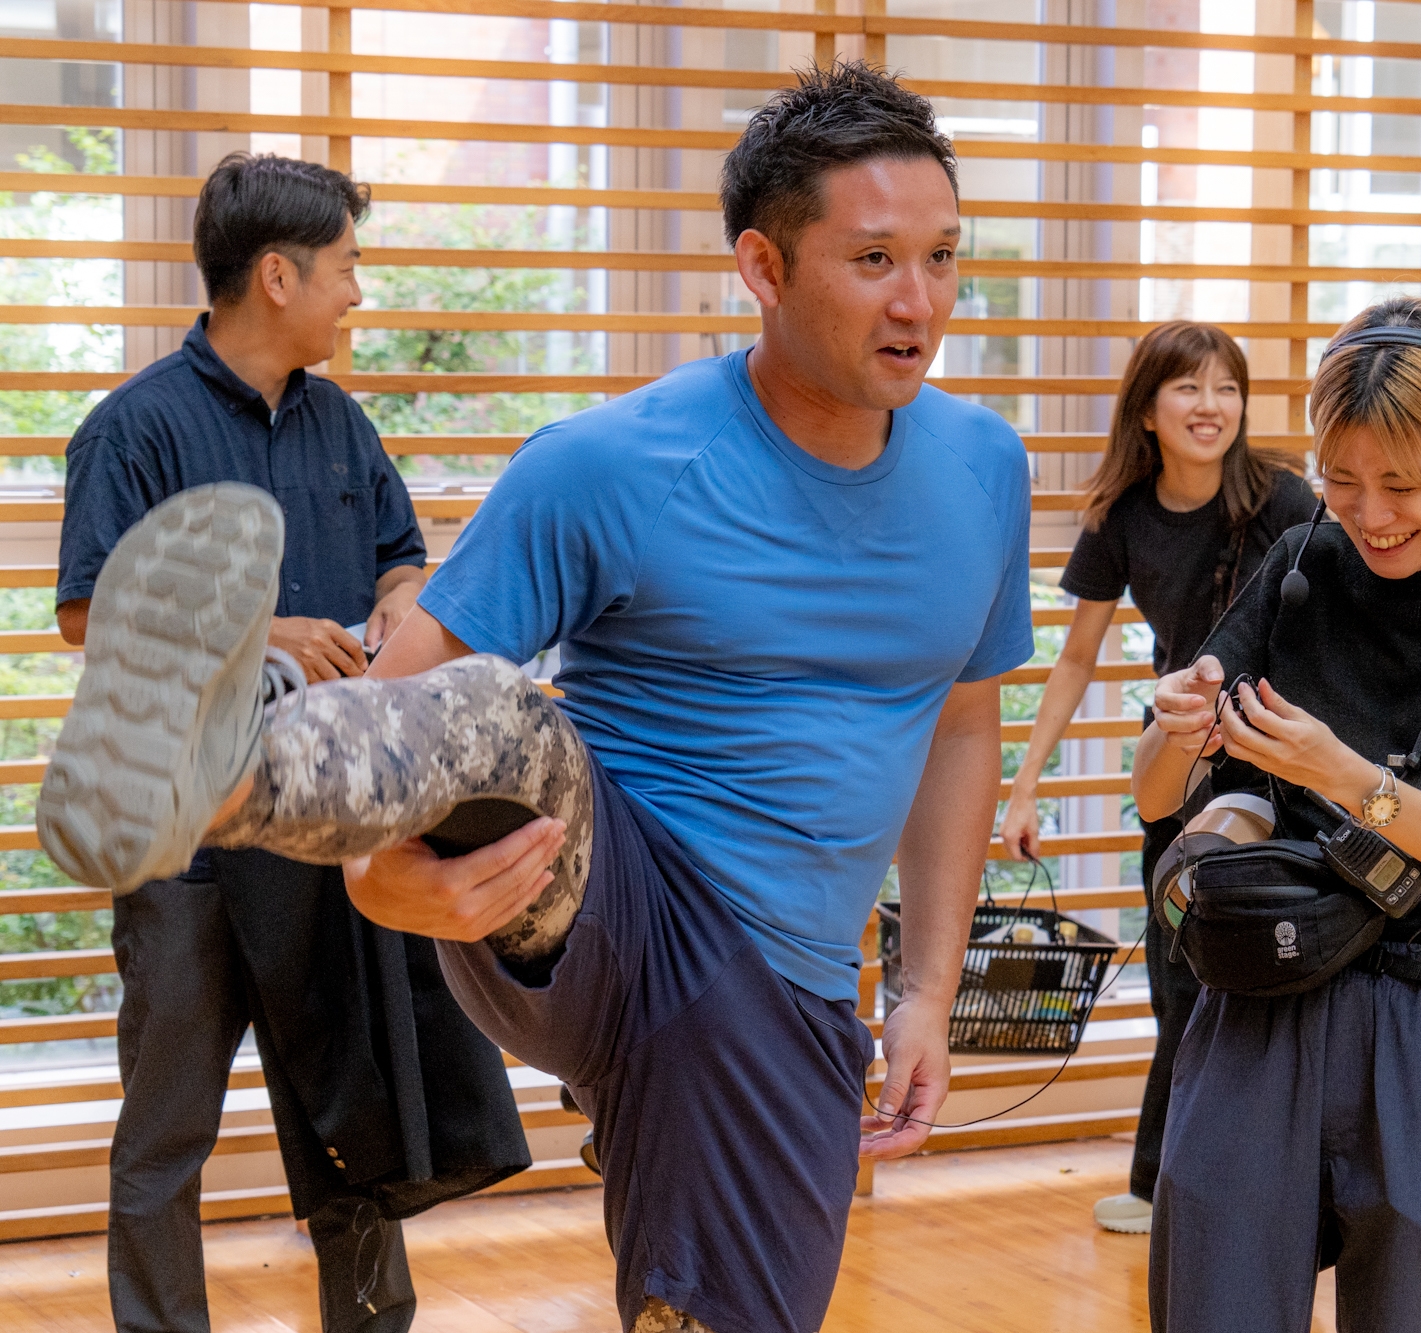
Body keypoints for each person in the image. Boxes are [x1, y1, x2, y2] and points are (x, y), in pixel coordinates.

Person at [38, 62, 1029, 1333]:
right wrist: (375, 879)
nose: (918, 301)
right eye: (875, 259)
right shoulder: (606, 464)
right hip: (593, 887)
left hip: (782, 972)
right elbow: (410, 693)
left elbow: (959, 722)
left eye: (941, 258)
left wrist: (927, 991)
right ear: (763, 268)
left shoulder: (984, 469)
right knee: (506, 713)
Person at [52, 153, 530, 1333]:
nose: (357, 292)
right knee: (167, 1130)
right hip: (188, 849)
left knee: (356, 1113)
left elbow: (401, 557)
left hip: (329, 830)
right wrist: (262, 631)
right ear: (278, 275)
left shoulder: (342, 425)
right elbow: (88, 614)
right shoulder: (132, 429)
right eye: (346, 266)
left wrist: (398, 607)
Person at [1133, 296, 1421, 1331]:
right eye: (1340, 479)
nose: (1369, 512)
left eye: (1402, 484)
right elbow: (1153, 795)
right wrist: (1178, 719)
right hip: (1260, 998)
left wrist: (1342, 774)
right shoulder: (1299, 565)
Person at [995, 320, 1314, 1235]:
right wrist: (1026, 784)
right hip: (1177, 752)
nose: (1211, 406)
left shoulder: (1285, 498)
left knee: (1278, 960)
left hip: (1283, 747)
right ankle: (1160, 1183)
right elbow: (1075, 658)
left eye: (1227, 387)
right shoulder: (1122, 515)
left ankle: (1259, 1182)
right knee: (1179, 969)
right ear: (1147, 408)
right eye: (1188, 387)